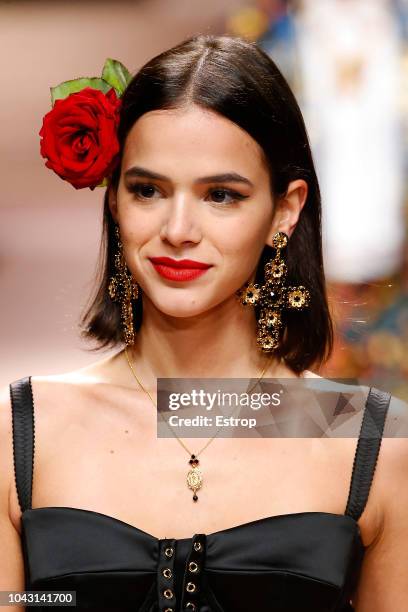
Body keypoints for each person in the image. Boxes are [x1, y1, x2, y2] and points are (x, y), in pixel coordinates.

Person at [1, 33, 407, 612]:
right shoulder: (23, 433)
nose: (179, 229)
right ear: (114, 198)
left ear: (284, 210)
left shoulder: (373, 441)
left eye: (221, 194)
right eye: (148, 190)